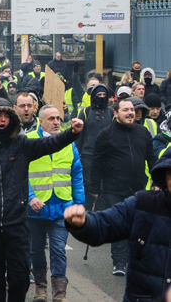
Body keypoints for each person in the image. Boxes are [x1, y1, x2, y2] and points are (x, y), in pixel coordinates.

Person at [0, 98, 84, 302]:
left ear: (12, 118)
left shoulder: (21, 144)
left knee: (20, 279)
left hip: (16, 223)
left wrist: (72, 133)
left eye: (6, 116)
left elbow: (50, 144)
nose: (2, 120)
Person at [64, 156, 171, 302]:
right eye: (170, 174)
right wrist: (84, 222)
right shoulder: (143, 204)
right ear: (164, 177)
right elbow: (105, 224)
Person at [88, 98, 156, 276]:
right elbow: (97, 162)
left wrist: (158, 181)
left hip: (138, 187)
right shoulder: (106, 134)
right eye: (125, 110)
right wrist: (94, 186)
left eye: (132, 109)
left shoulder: (143, 133)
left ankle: (133, 258)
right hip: (113, 188)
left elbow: (152, 159)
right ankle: (119, 262)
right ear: (116, 113)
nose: (130, 113)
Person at [27, 105, 84, 302]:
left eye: (58, 118)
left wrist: (79, 203)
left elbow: (76, 173)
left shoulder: (69, 143)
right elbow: (18, 172)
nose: (56, 122)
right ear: (40, 121)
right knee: (36, 250)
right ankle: (40, 289)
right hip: (35, 208)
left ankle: (60, 294)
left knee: (58, 250)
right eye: (51, 118)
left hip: (62, 206)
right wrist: (30, 196)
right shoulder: (29, 140)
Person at [76, 83, 114, 208]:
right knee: (89, 188)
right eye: (99, 95)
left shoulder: (112, 114)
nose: (102, 97)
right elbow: (79, 137)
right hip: (88, 156)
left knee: (105, 188)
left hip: (107, 156)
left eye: (104, 95)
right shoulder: (85, 112)